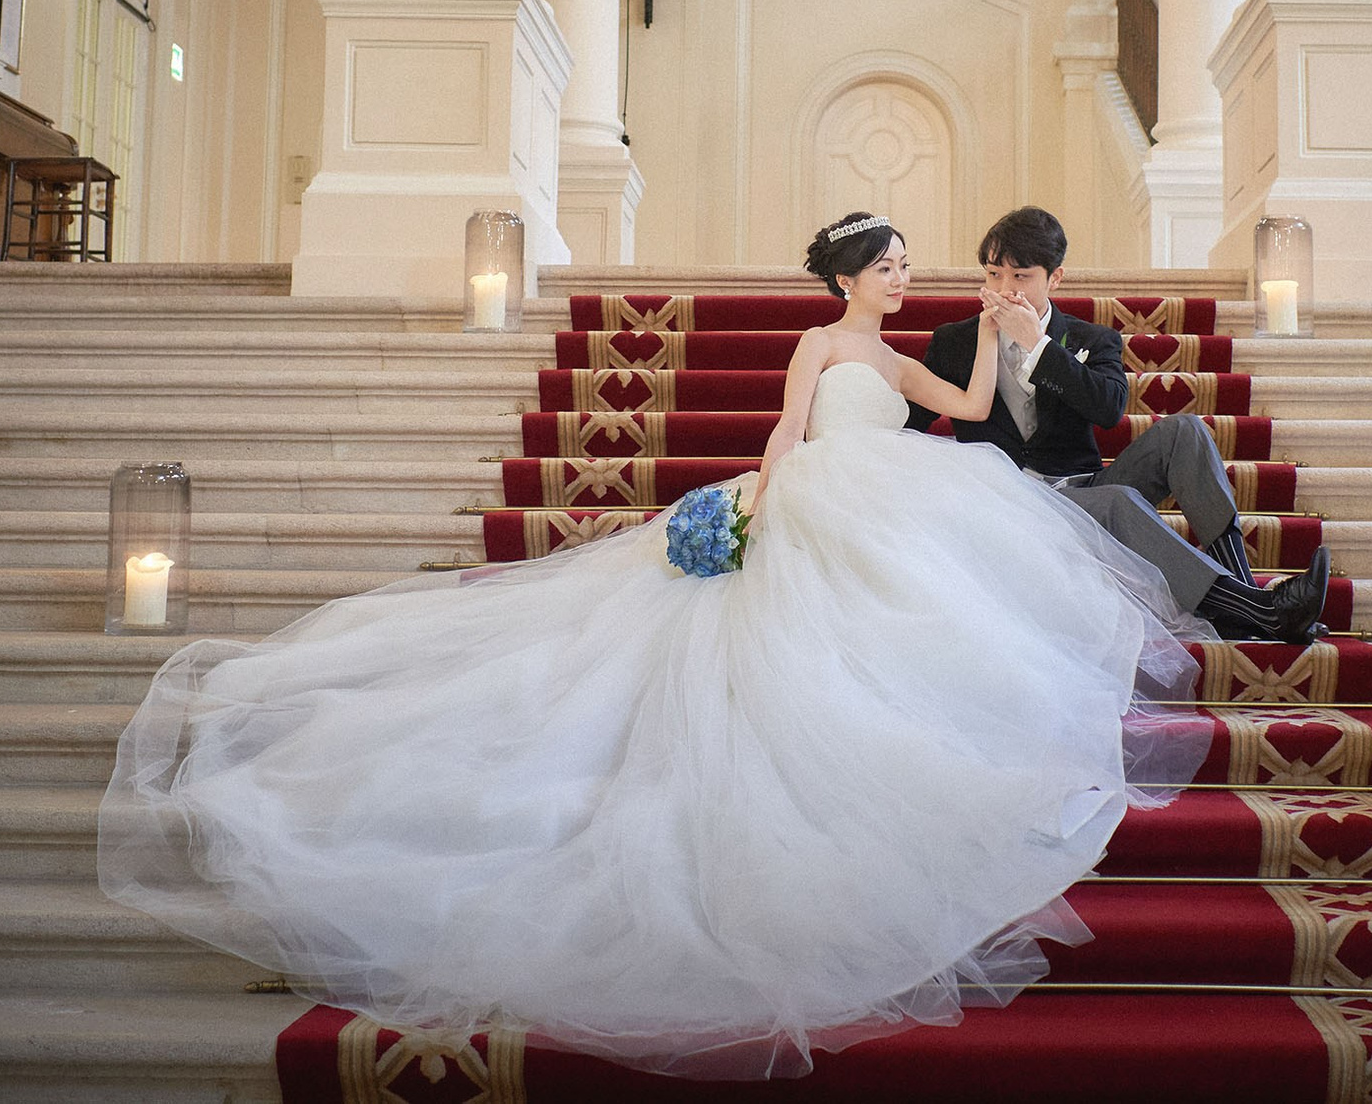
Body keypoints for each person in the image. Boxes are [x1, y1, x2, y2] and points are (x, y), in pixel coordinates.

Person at [98, 212, 1213, 1083]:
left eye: (910, 264)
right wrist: (754, 507)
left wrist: (1012, 337)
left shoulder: (925, 351)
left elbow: (969, 409)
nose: (903, 276)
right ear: (846, 277)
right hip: (815, 497)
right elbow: (785, 427)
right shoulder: (820, 345)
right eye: (889, 263)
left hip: (896, 491)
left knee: (914, 619)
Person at [902, 205, 1329, 644]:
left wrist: (1037, 345)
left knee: (1186, 431)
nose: (1005, 290)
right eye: (994, 275)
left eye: (1020, 276)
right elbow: (912, 420)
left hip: (1083, 487)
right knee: (1119, 501)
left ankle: (1240, 602)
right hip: (1010, 505)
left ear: (1056, 278)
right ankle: (1259, 610)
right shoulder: (954, 341)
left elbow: (1109, 411)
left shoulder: (1093, 339)